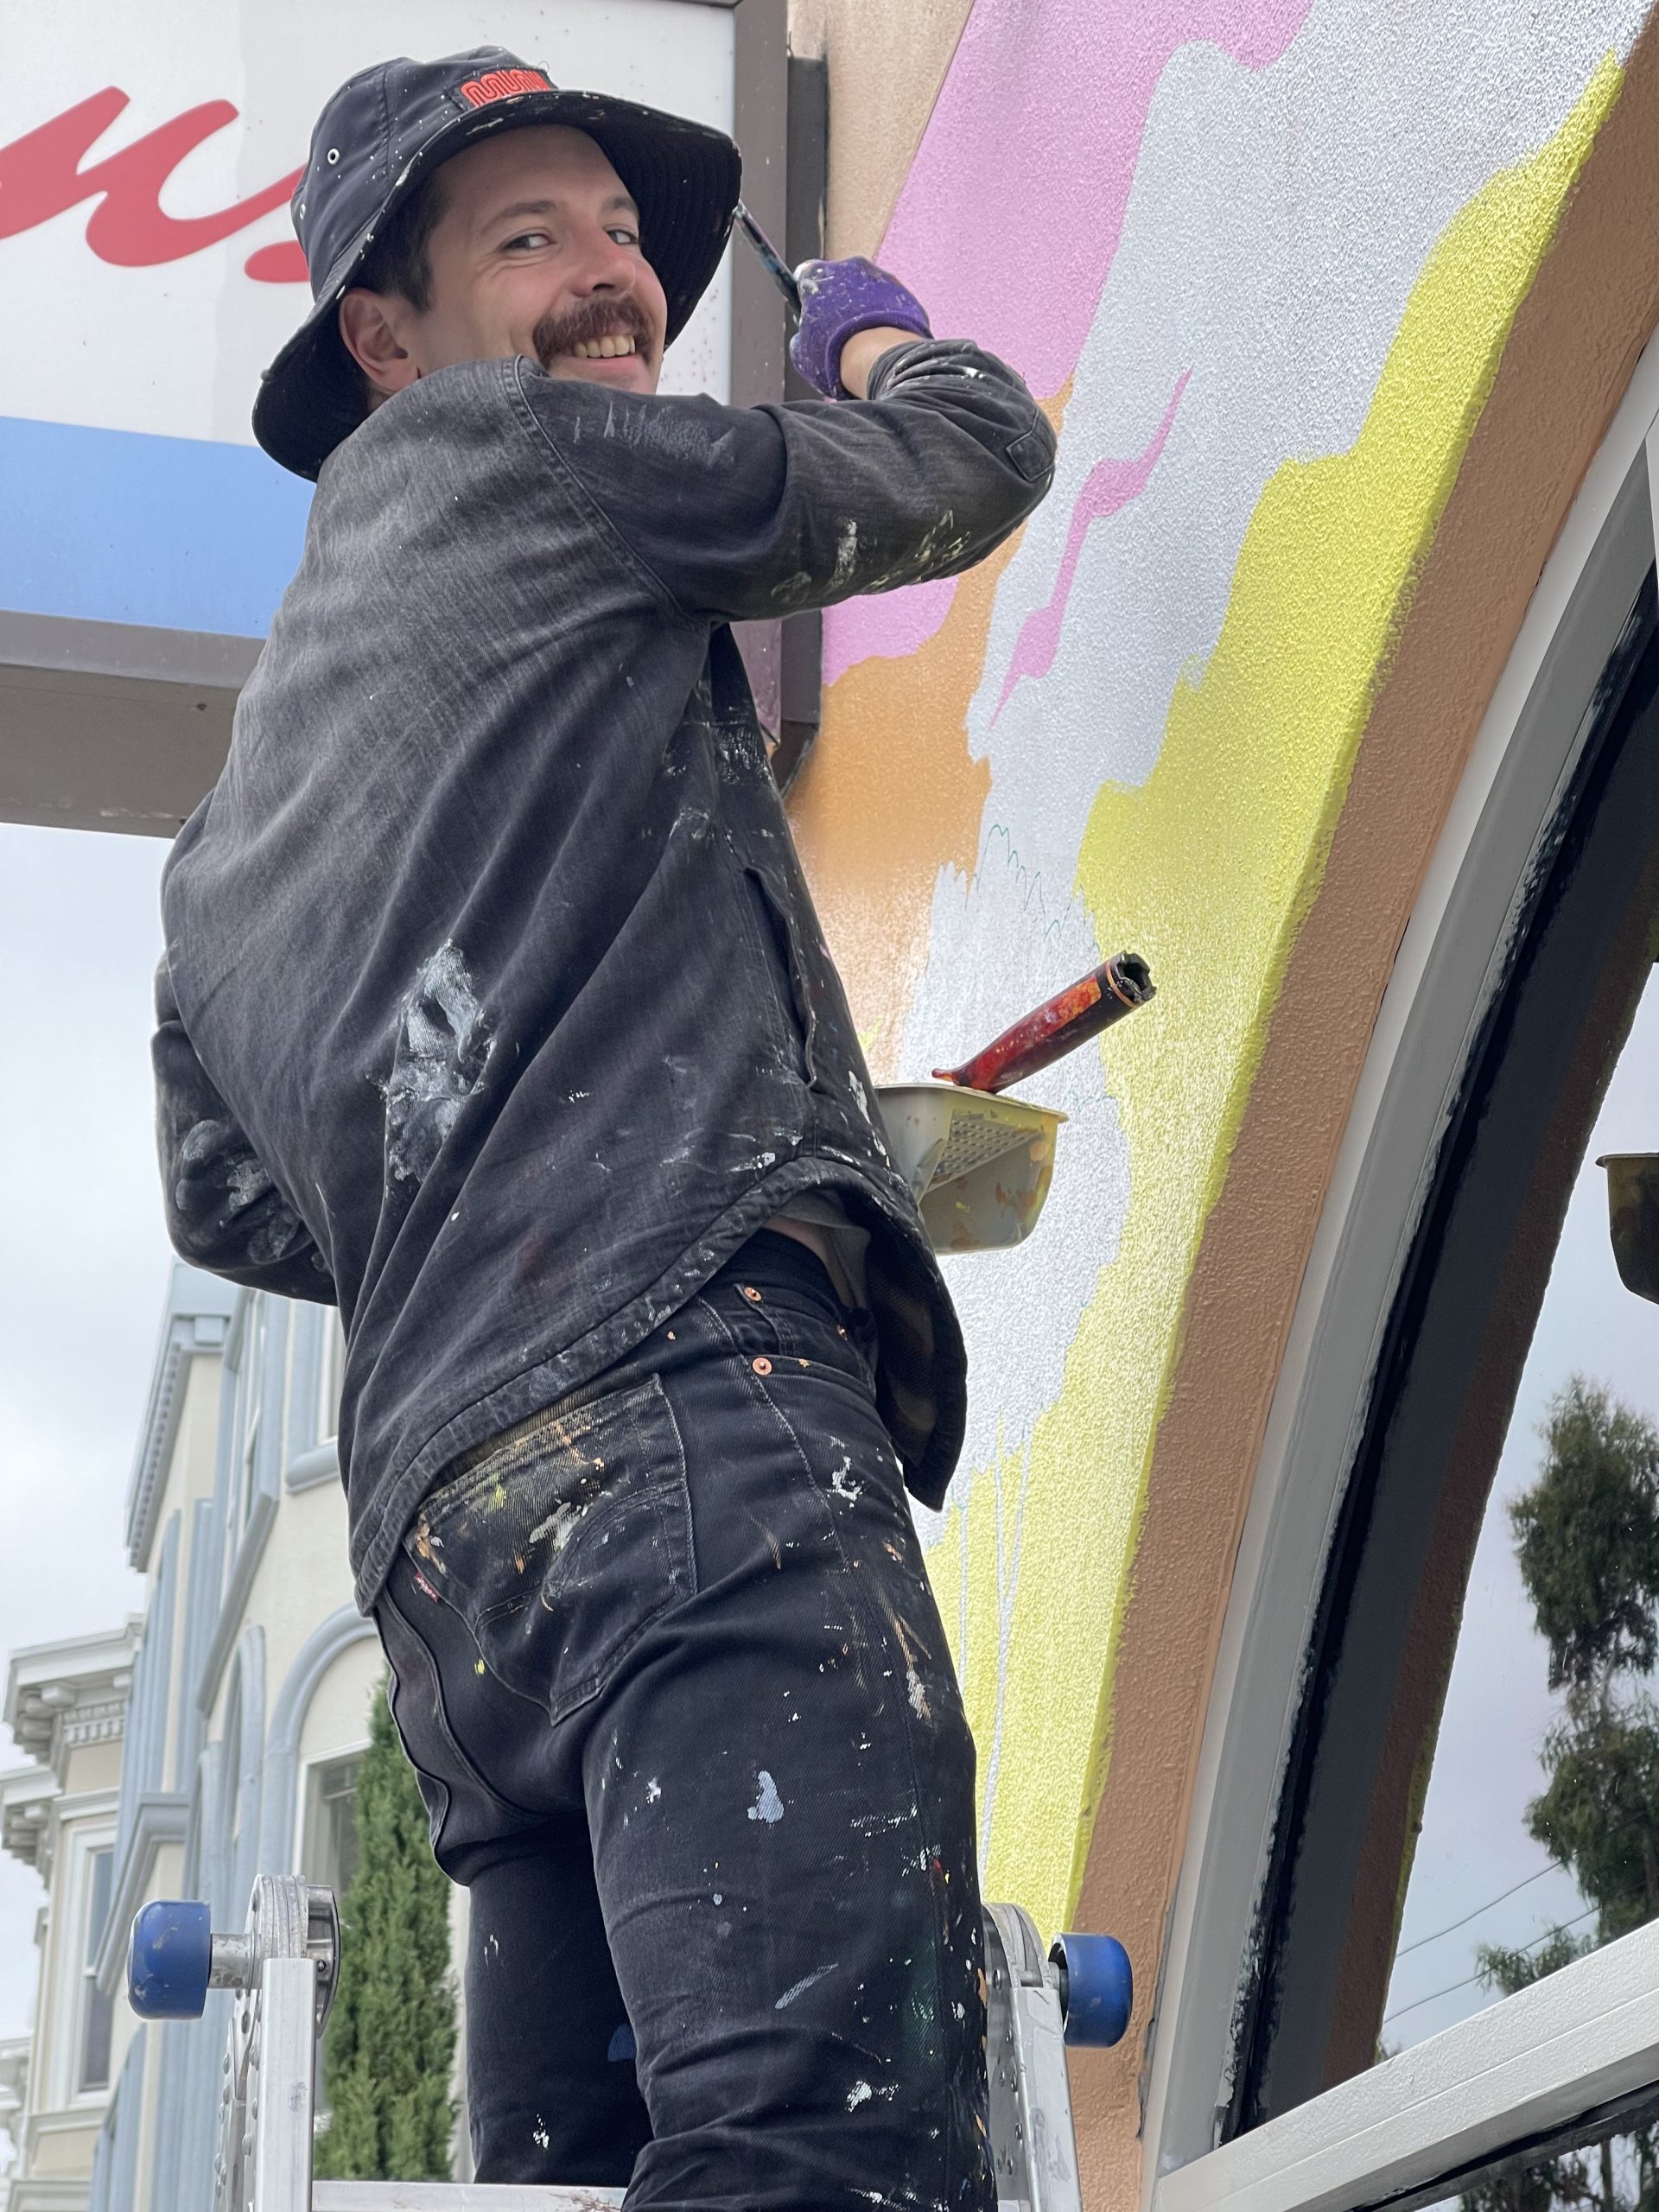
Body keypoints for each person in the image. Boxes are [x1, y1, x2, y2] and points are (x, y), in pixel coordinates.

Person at [152, 45, 1054, 2210]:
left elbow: (229, 1184)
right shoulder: (527, 460)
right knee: (823, 2159)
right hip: (688, 1447)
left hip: (467, 1574)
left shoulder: (223, 824)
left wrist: (517, 1150)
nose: (615, 277)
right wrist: (878, 334)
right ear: (389, 341)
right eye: (527, 237)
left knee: (581, 2188)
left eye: (627, 232)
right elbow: (970, 455)